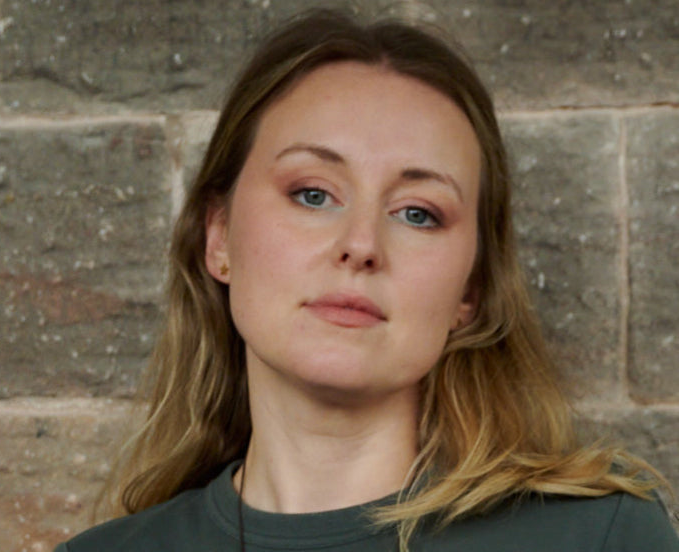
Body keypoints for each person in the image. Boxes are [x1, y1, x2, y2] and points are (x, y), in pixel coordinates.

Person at [54, 9, 679, 552]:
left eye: (418, 213)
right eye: (313, 194)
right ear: (218, 238)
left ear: (471, 289)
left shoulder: (600, 538)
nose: (360, 246)